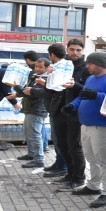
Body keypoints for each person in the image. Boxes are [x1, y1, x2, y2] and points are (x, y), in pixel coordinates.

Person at [62, 52, 106, 208]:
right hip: (86, 125)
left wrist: (97, 95)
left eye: (89, 63)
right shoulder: (90, 79)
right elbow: (83, 96)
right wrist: (73, 106)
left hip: (102, 126)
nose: (87, 66)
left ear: (99, 64)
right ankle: (94, 185)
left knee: (105, 160)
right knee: (92, 158)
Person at [43, 40, 89, 190]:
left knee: (74, 146)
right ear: (67, 50)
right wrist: (48, 77)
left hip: (74, 112)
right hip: (58, 110)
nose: (75, 53)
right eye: (72, 50)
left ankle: (79, 177)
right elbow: (51, 89)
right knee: (62, 144)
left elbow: (87, 91)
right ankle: (70, 173)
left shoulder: (85, 68)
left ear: (82, 51)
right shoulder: (59, 65)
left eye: (78, 50)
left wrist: (75, 85)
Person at [11, 57, 51, 168]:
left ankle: (39, 159)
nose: (37, 69)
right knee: (29, 134)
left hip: (37, 109)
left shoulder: (45, 79)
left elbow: (31, 93)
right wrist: (19, 91)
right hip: (30, 108)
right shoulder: (35, 77)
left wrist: (16, 87)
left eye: (40, 67)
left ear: (47, 68)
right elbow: (26, 91)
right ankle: (31, 153)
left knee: (35, 135)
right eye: (36, 66)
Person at [36, 44, 68, 179]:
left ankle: (62, 166)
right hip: (54, 109)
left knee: (60, 140)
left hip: (60, 109)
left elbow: (55, 89)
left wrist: (45, 82)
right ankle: (58, 163)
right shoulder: (57, 68)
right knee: (56, 139)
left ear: (52, 55)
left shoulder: (62, 68)